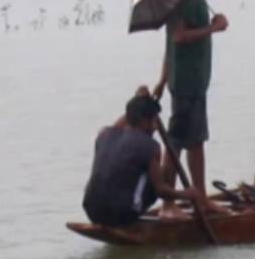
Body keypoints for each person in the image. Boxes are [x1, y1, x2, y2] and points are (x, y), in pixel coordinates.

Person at [153, 0, 229, 212]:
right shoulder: (192, 2)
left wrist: (162, 81)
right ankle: (170, 204)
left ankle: (199, 199)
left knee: (193, 142)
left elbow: (170, 47)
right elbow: (179, 38)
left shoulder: (185, 0)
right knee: (176, 144)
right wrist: (214, 28)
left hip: (184, 82)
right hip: (188, 84)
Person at [82, 88, 209, 226]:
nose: (155, 127)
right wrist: (186, 194)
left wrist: (138, 101)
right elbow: (160, 190)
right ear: (143, 120)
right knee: (158, 176)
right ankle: (167, 208)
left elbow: (128, 119)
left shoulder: (104, 134)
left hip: (91, 210)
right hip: (121, 215)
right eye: (153, 121)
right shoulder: (150, 147)